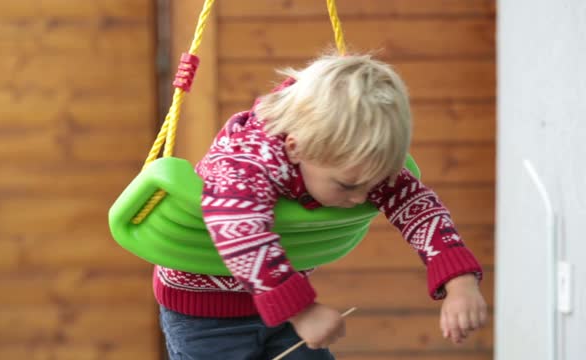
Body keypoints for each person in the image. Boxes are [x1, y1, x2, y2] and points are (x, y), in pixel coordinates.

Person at [154, 53, 488, 359]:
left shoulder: (353, 157)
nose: (361, 198)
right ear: (295, 148)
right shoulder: (247, 160)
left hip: (282, 302)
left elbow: (418, 206)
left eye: (372, 185)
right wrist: (302, 311)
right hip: (205, 315)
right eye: (347, 186)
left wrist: (460, 283)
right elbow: (236, 227)